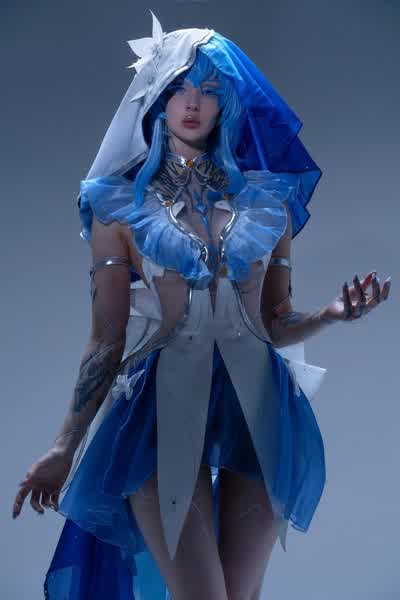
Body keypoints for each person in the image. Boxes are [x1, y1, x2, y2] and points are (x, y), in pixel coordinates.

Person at [12, 12, 391, 600]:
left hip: (260, 409)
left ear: (226, 105)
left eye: (209, 90)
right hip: (158, 414)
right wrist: (65, 445)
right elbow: (107, 339)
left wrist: (331, 316)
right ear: (156, 98)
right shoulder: (117, 208)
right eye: (179, 88)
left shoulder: (268, 202)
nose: (193, 102)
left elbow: (274, 323)